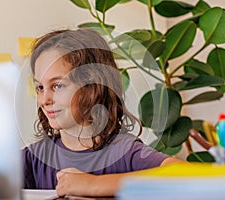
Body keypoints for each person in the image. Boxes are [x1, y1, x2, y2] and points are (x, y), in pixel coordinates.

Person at [22, 28, 184, 197]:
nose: (44, 100)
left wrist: (95, 184)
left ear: (92, 86)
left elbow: (184, 174)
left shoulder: (123, 151)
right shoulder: (35, 158)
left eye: (57, 86)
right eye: (40, 87)